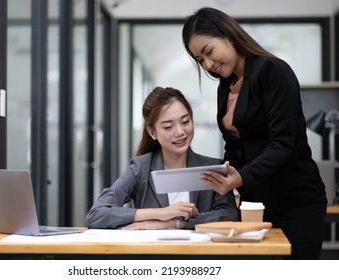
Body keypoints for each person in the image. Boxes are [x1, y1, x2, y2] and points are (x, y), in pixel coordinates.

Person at [182, 7, 327, 259]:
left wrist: (240, 178)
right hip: (254, 206)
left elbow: (282, 144)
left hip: (296, 202)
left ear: (228, 35)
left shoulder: (273, 71)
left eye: (208, 52)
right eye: (200, 60)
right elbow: (233, 146)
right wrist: (222, 174)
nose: (208, 64)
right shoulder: (225, 88)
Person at [85, 86, 238, 230]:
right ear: (152, 132)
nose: (180, 132)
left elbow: (230, 215)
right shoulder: (141, 168)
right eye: (168, 127)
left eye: (185, 122)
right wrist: (160, 213)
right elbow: (96, 214)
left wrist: (176, 223)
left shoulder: (212, 167)